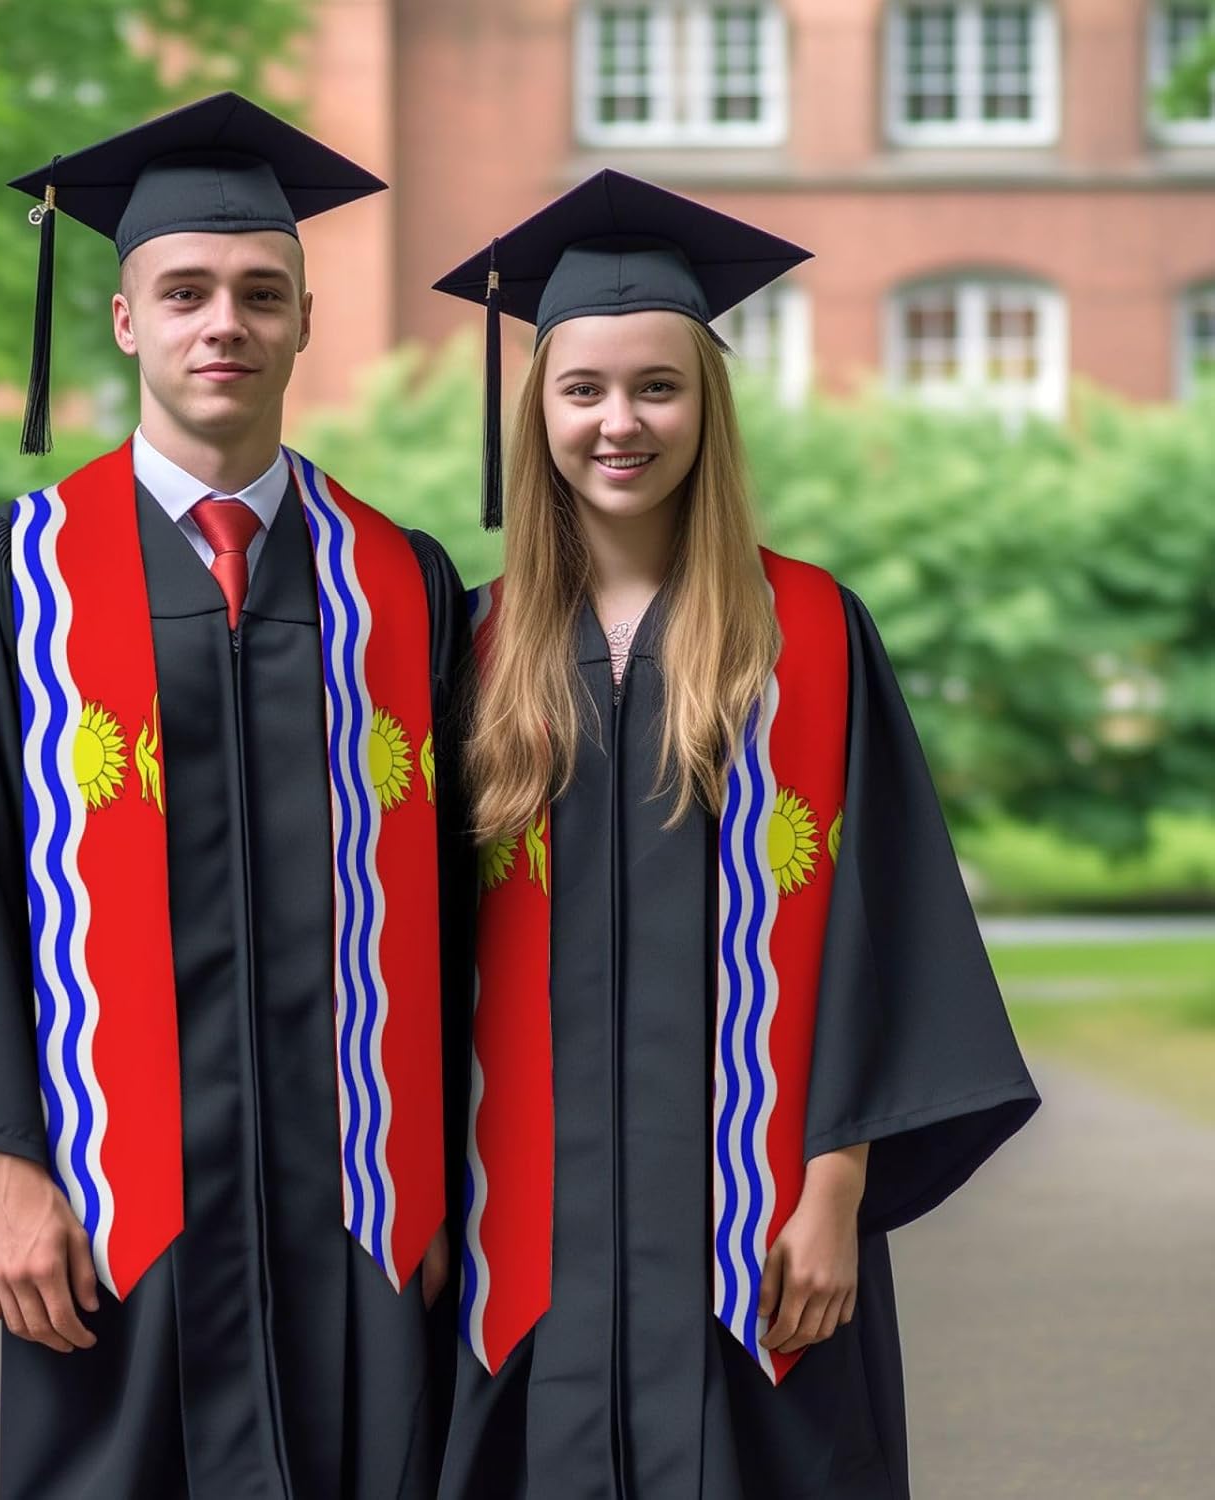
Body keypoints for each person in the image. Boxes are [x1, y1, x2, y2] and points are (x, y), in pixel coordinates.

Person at [0, 92, 468, 1499]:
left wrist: (443, 1180)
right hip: (120, 1212)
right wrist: (4, 1171)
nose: (222, 324)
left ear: (305, 320)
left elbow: (468, 916)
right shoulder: (20, 574)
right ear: (125, 321)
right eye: (185, 293)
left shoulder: (399, 585)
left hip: (361, 1214)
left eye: (259, 293)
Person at [430, 170, 1041, 1499]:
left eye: (658, 387)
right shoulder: (468, 648)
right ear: (537, 413)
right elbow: (404, 955)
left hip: (759, 1250)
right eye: (583, 389)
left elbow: (885, 928)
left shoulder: (808, 636)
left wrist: (835, 1190)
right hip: (520, 1248)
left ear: (708, 408)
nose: (620, 422)